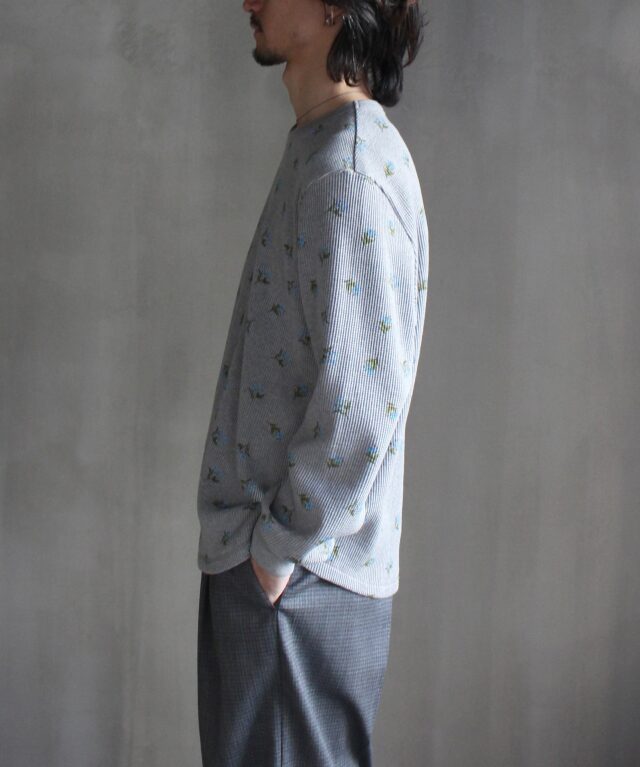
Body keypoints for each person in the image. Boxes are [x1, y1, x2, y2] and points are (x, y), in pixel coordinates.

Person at [197, 1, 430, 765]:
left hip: (298, 584)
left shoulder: (347, 172)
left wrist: (276, 554)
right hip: (291, 577)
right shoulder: (325, 147)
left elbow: (362, 409)